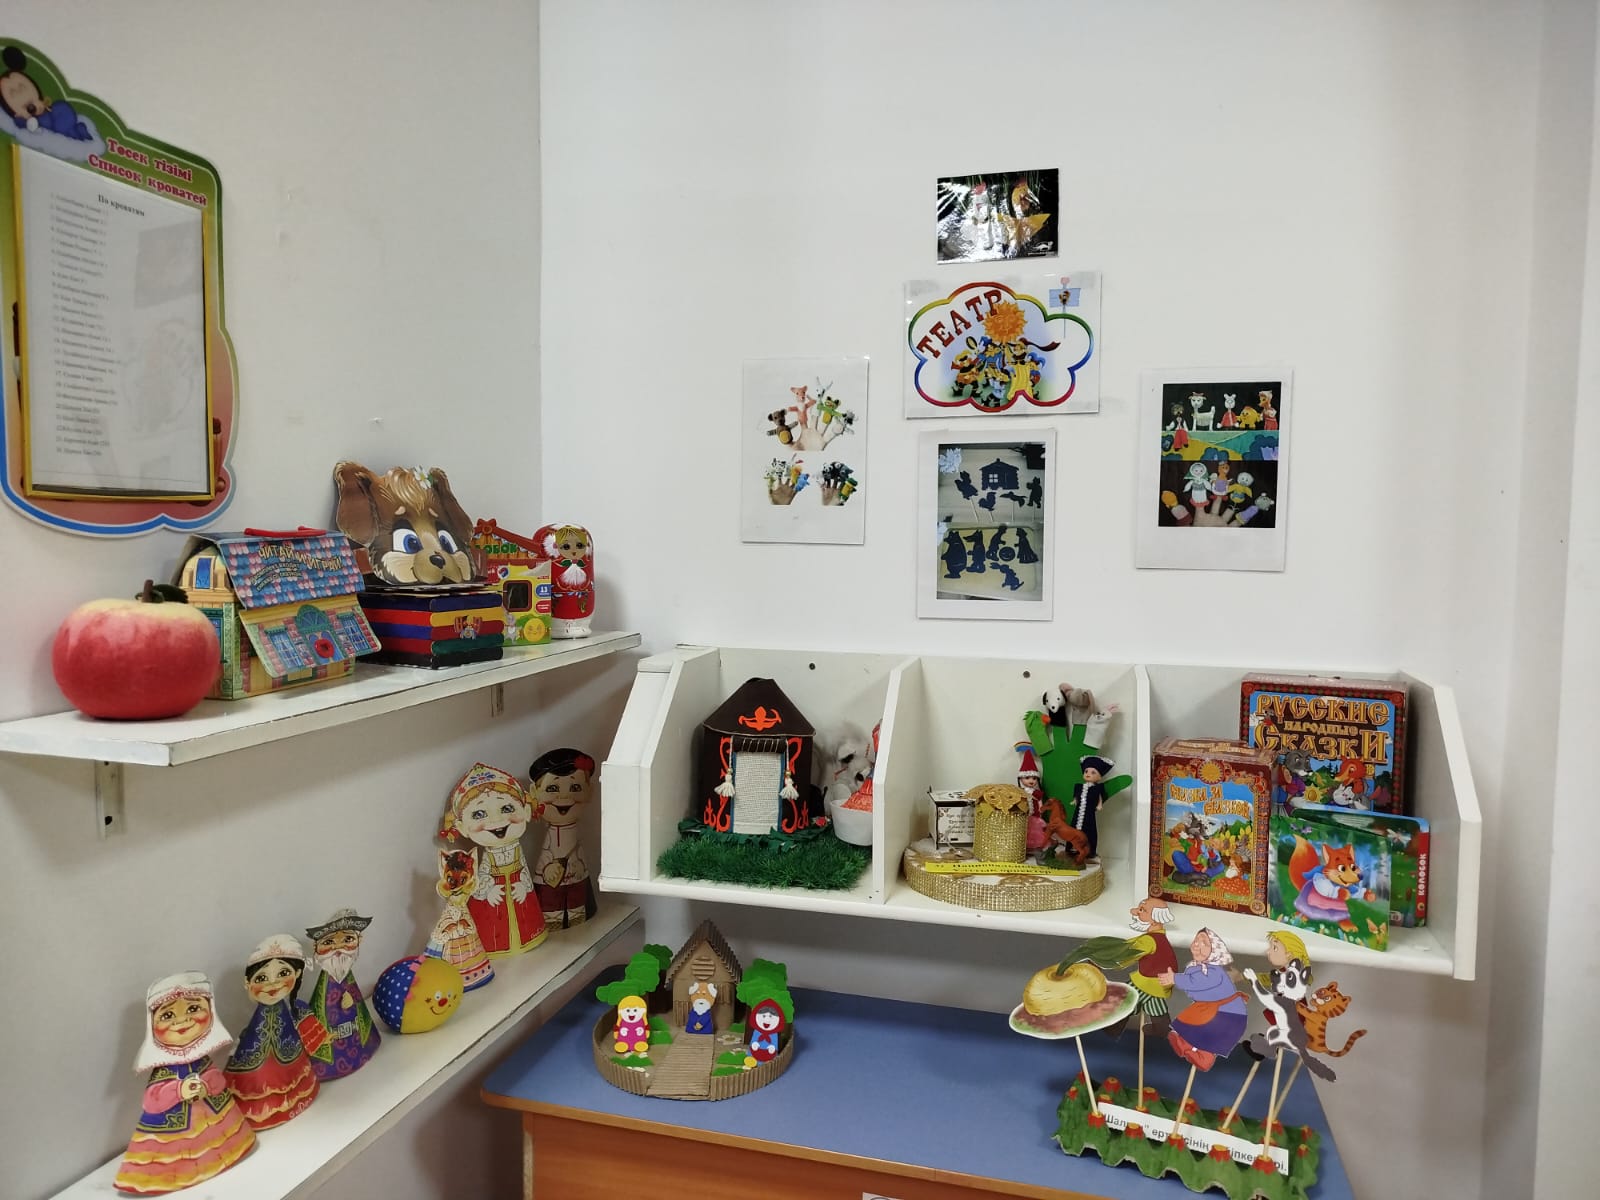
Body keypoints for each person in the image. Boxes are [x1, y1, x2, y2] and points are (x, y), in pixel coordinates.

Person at [114, 972, 256, 1193]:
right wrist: (179, 1090)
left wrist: (206, 1086)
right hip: (174, 1136)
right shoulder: (165, 1067)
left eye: (193, 1009)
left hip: (216, 1121)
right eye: (168, 1014)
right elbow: (152, 1101)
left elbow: (218, 1080)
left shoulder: (202, 1060)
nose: (181, 1021)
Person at [440, 762, 547, 956]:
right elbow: (481, 877)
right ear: (462, 827)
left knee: (527, 925)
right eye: (479, 814)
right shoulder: (485, 857)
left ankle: (531, 936)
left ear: (526, 812)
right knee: (494, 933)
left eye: (506, 808)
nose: (496, 820)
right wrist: (488, 891)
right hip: (493, 904)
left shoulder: (517, 849)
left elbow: (523, 870)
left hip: (520, 896)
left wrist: (523, 886)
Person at [224, 934, 319, 1128]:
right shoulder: (260, 1017)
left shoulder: (294, 1009)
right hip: (256, 1052)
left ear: (297, 974)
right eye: (262, 978)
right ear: (247, 983)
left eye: (283, 973)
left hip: (288, 1046)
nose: (273, 984)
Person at [297, 909, 381, 1080]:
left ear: (359, 940)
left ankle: (364, 1048)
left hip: (357, 1036)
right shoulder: (325, 984)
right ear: (316, 947)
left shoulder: (347, 976)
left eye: (347, 940)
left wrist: (353, 999)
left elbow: (357, 1001)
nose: (337, 948)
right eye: (328, 942)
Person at [529, 748, 600, 929]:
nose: (565, 796)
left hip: (577, 881)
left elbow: (576, 851)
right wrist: (547, 868)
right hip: (549, 884)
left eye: (575, 788)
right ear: (534, 793)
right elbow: (547, 853)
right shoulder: (551, 836)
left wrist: (579, 867)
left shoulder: (574, 833)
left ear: (589, 791)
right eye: (552, 788)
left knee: (578, 906)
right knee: (551, 910)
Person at [1160, 928, 1248, 1071]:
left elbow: (1199, 983)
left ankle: (1204, 1057)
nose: (1197, 945)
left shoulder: (1214, 970)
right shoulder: (1195, 968)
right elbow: (1194, 989)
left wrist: (1175, 978)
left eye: (1204, 943)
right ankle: (1186, 1046)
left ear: (1215, 950)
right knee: (1194, 1027)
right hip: (1214, 1009)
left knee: (1206, 1035)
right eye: (1196, 941)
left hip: (1227, 1013)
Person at [1126, 898, 1179, 1038]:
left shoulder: (1149, 940)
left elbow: (1129, 953)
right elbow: (1132, 943)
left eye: (1142, 910)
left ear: (1154, 921)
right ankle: (1162, 1029)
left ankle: (1113, 1028)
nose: (1135, 913)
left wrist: (1108, 958)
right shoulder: (1158, 936)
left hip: (1149, 980)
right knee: (1154, 1002)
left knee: (1127, 997)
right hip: (1161, 982)